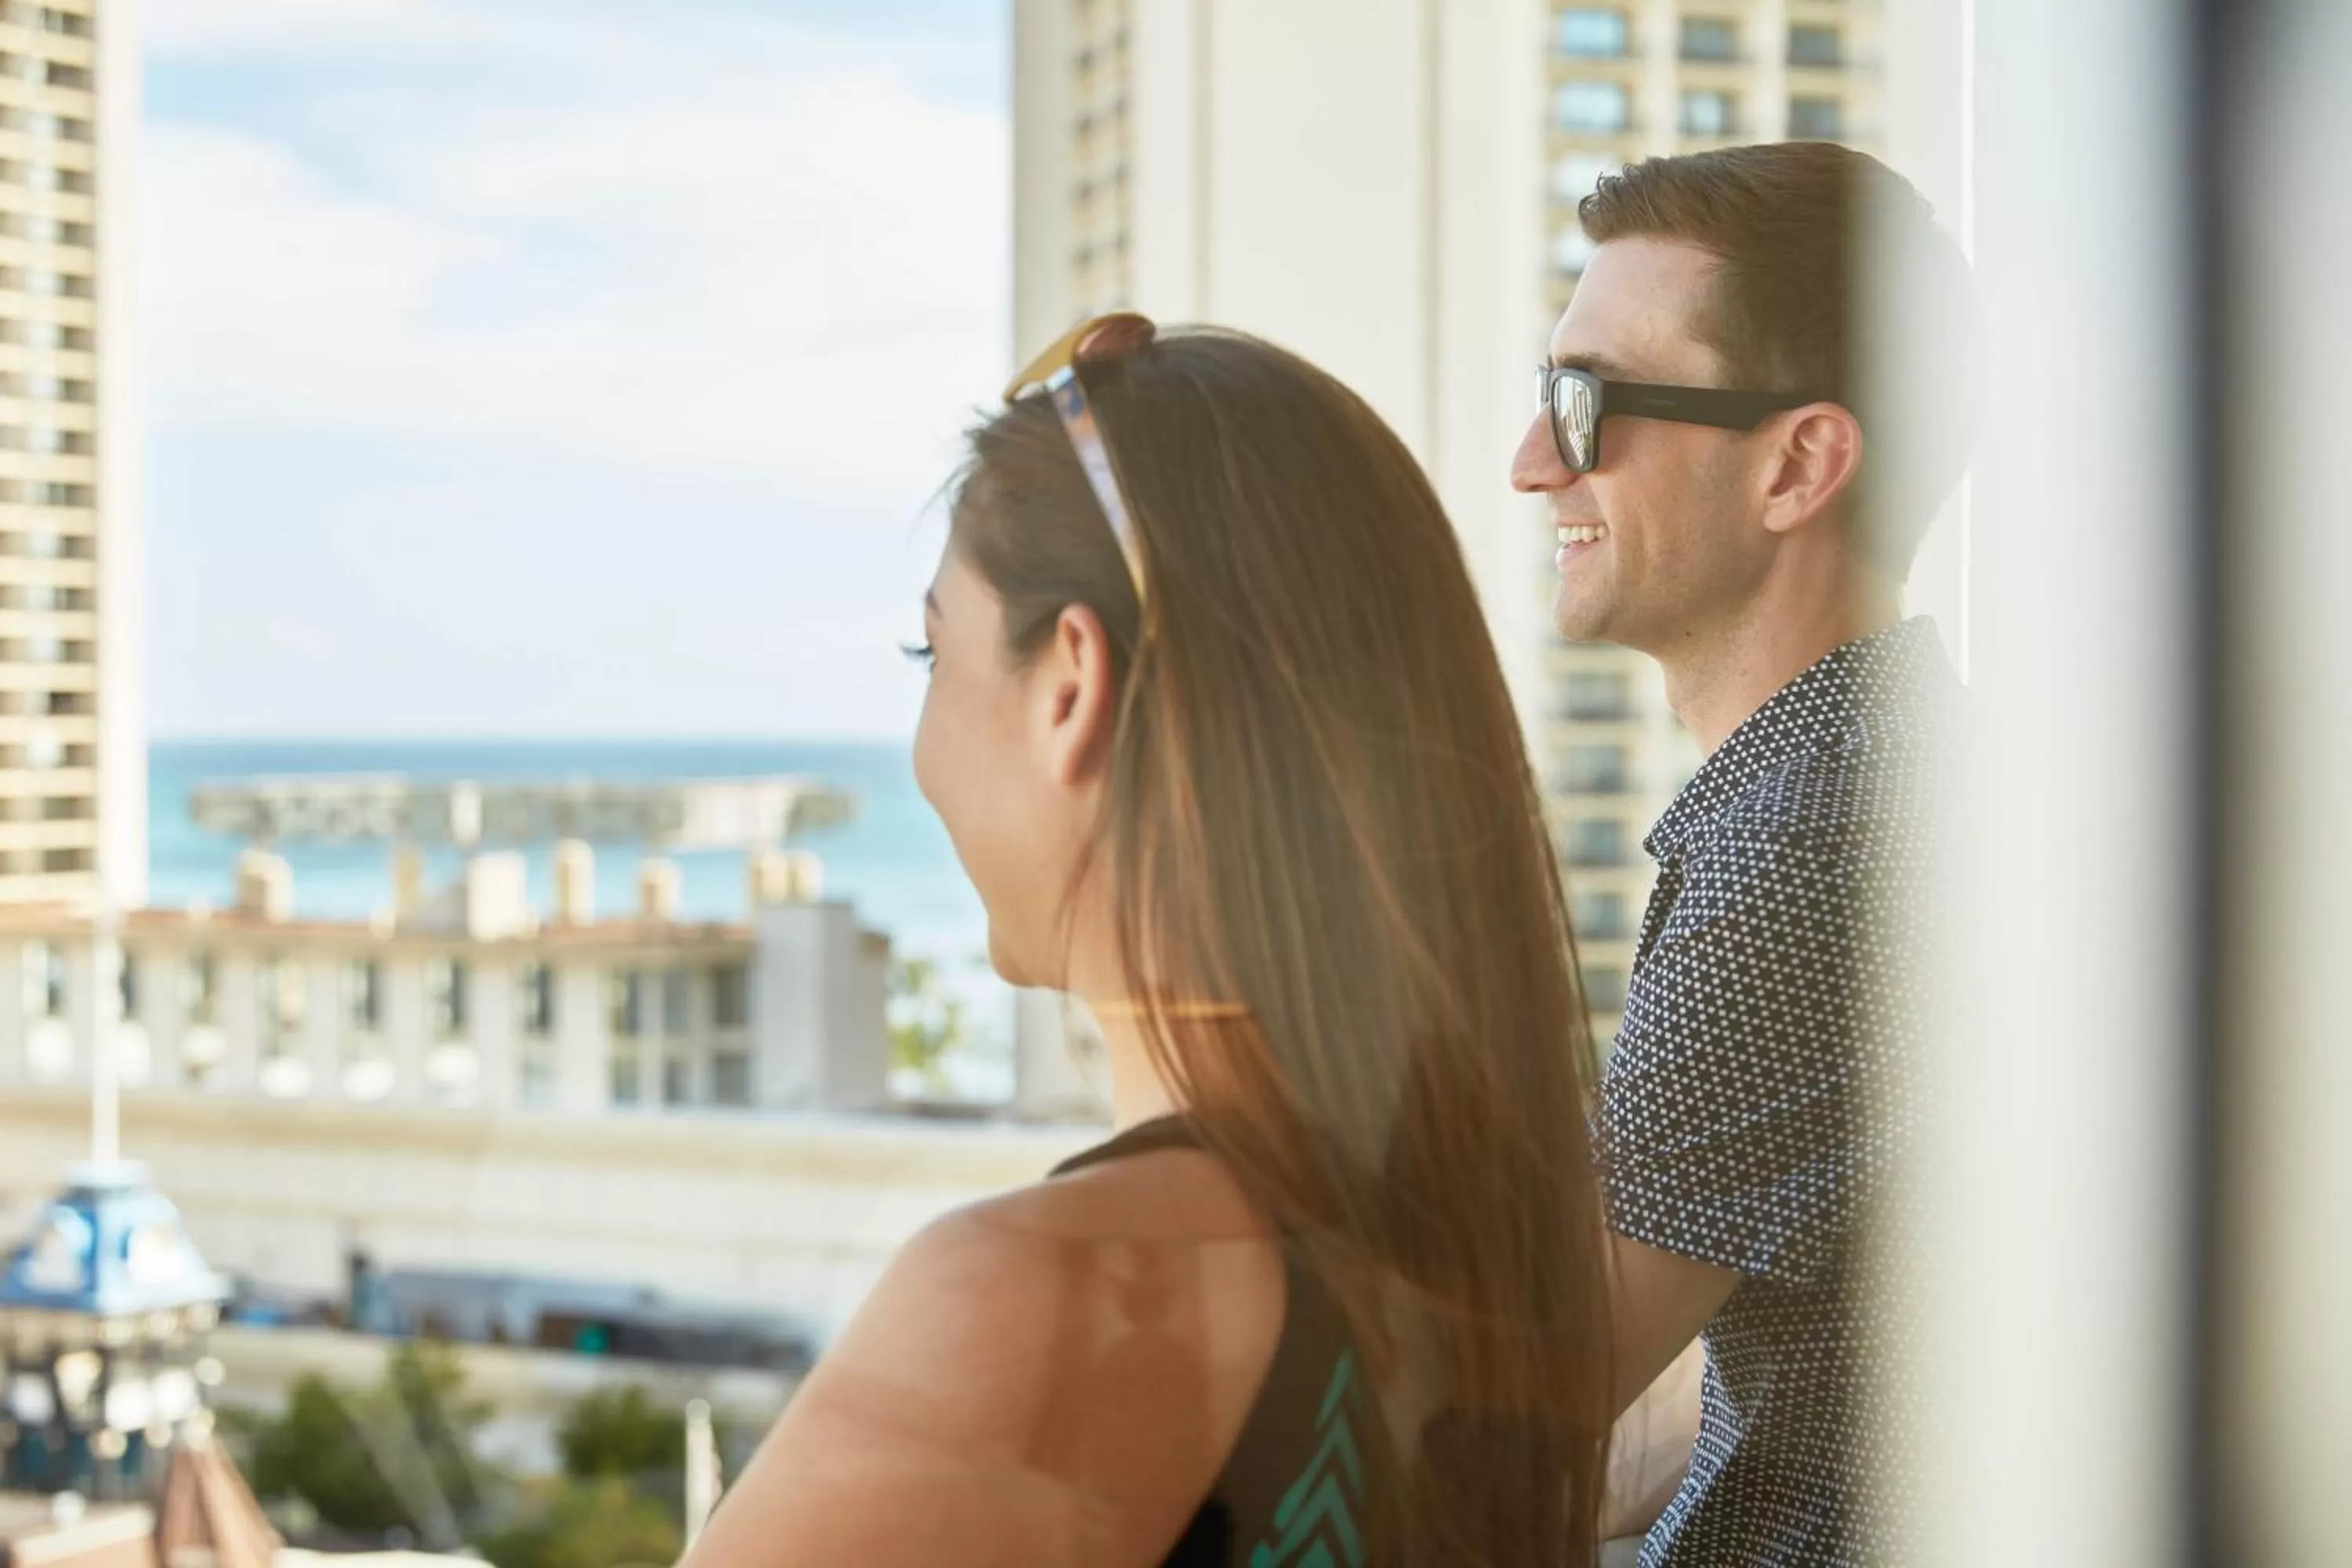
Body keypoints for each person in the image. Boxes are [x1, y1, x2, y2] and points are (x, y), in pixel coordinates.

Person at [683, 318, 1616, 1566]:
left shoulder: (1046, 1296)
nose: (922, 741)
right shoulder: (1477, 1249)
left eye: (933, 651)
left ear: (1071, 684)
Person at [1512, 142, 1973, 1566]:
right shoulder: (1878, 775)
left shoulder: (1814, 837)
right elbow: (1741, 1387)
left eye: (1584, 404)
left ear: (1798, 466)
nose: (1534, 464)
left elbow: (1524, 1389)